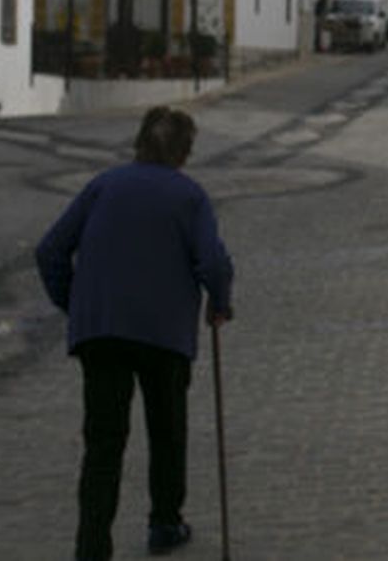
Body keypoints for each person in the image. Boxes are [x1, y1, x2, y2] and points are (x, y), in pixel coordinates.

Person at [36, 106, 234, 560]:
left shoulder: (103, 186)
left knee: (103, 443)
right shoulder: (189, 196)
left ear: (139, 144)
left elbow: (50, 251)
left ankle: (91, 548)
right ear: (184, 153)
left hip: (101, 335)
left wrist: (77, 306)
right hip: (164, 335)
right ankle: (164, 523)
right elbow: (213, 262)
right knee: (167, 431)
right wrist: (220, 303)